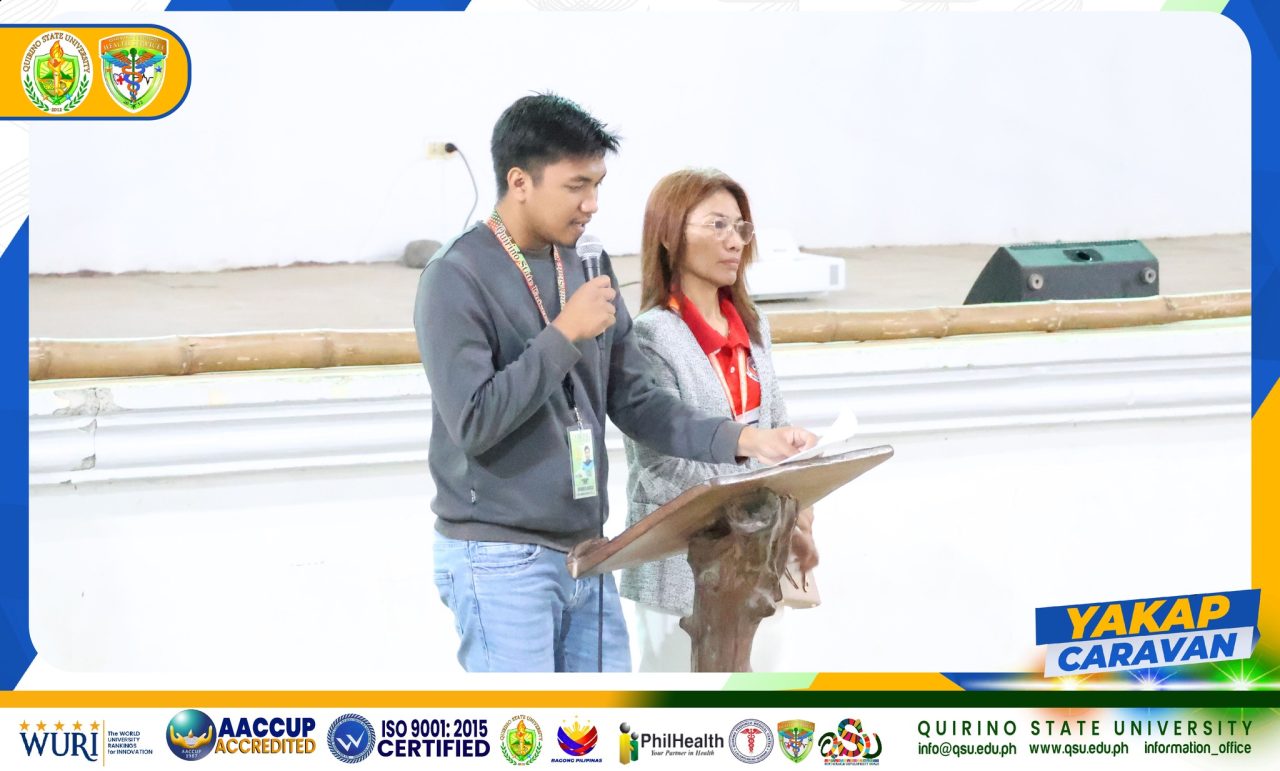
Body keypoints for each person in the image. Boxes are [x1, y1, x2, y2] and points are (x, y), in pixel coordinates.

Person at [413, 95, 816, 673]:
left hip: (588, 551)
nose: (592, 204)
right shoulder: (456, 276)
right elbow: (475, 421)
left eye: (598, 184)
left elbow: (638, 400)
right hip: (500, 554)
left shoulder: (585, 263)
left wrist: (746, 440)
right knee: (524, 729)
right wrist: (564, 334)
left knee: (607, 724)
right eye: (576, 186)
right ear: (520, 182)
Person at [622, 168, 820, 671]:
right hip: (681, 573)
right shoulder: (652, 335)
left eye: (741, 227)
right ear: (670, 235)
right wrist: (758, 499)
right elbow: (662, 468)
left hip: (759, 562)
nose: (735, 241)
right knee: (682, 711)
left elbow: (774, 424)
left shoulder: (753, 325)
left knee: (761, 704)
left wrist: (794, 508)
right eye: (717, 225)